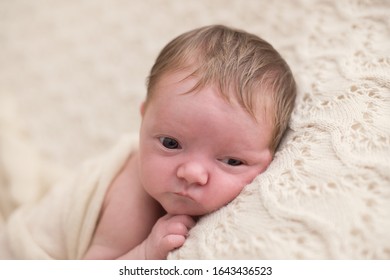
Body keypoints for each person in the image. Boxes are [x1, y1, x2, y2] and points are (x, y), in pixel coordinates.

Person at [82, 24, 296, 259]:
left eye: (232, 161)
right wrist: (145, 254)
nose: (192, 173)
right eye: (170, 144)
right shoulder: (133, 198)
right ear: (143, 120)